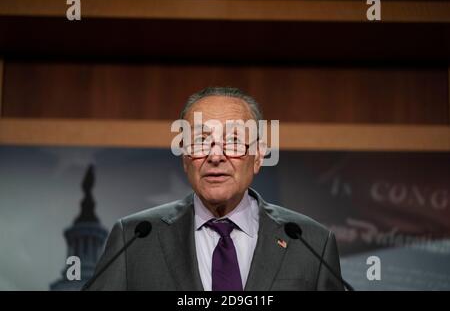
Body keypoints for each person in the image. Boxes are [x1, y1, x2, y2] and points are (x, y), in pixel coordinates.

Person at [87, 87, 344, 291]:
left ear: (257, 156)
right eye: (200, 141)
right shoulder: (135, 238)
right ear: (185, 156)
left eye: (233, 141)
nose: (215, 156)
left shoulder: (311, 242)